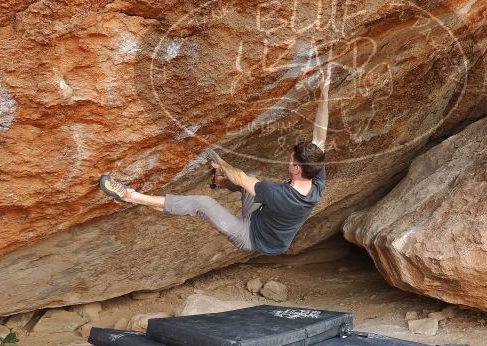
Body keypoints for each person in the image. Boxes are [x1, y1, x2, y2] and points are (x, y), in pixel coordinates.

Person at [98, 68, 331, 255]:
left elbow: (239, 176)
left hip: (252, 237)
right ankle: (219, 182)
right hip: (262, 217)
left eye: (291, 160)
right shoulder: (316, 178)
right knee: (249, 180)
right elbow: (321, 135)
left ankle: (131, 196)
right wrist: (324, 91)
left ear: (298, 169)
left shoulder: (278, 194)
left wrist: (222, 165)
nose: (288, 161)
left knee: (204, 203)